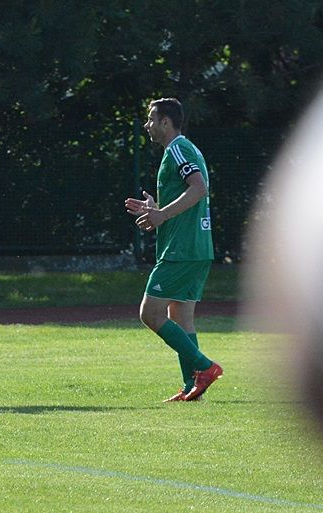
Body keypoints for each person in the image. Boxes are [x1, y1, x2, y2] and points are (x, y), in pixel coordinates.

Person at [124, 97, 223, 402]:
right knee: (180, 316)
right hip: (197, 246)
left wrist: (162, 215)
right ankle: (191, 387)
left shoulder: (178, 148)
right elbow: (192, 191)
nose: (147, 125)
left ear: (165, 122)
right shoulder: (185, 149)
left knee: (149, 313)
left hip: (182, 249)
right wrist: (156, 210)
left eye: (151, 119)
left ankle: (205, 368)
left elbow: (199, 187)